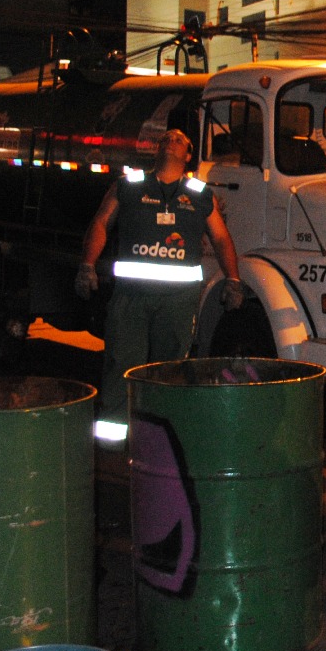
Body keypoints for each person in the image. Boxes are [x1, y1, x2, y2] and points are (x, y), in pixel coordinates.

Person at [76, 127, 243, 443]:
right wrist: (87, 266)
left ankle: (158, 441)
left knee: (168, 372)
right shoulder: (129, 186)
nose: (173, 140)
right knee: (120, 367)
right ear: (157, 149)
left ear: (188, 155)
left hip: (177, 302)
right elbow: (100, 222)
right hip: (130, 298)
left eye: (181, 139)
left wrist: (233, 280)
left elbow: (220, 238)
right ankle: (113, 443)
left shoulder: (199, 194)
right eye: (167, 138)